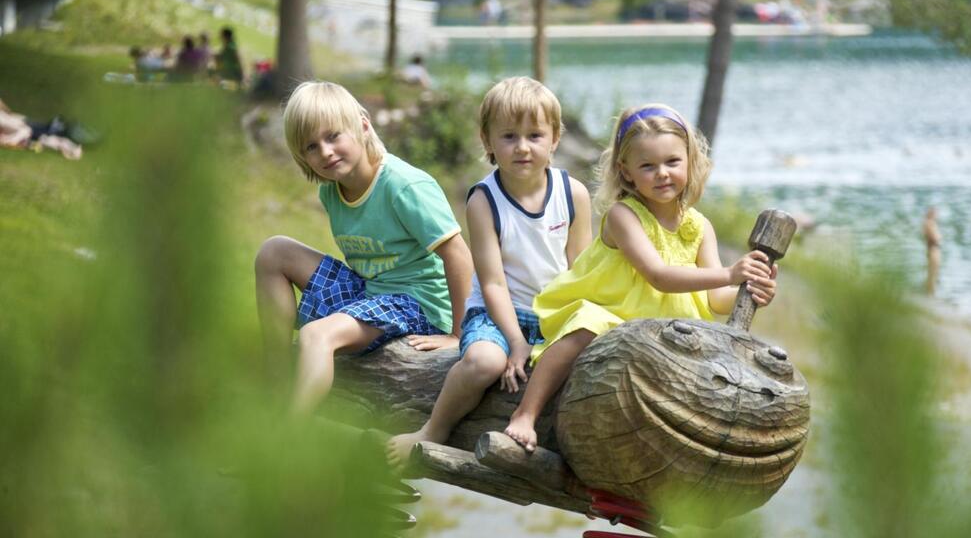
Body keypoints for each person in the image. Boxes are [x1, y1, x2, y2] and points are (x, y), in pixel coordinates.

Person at [502, 104, 778, 452]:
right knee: (586, 327)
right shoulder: (624, 216)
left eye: (672, 162)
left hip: (669, 325)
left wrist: (747, 287)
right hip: (615, 311)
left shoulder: (698, 226)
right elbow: (658, 276)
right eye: (648, 166)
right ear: (627, 172)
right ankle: (526, 414)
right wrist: (728, 272)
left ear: (690, 161)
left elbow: (714, 299)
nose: (662, 173)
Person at [386, 77, 592, 465]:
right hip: (498, 314)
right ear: (487, 141)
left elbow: (580, 272)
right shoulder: (484, 200)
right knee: (484, 362)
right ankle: (434, 428)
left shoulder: (573, 193)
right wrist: (516, 341)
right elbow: (494, 282)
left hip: (554, 313)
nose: (523, 147)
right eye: (509, 136)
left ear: (555, 138)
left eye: (535, 135)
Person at [254, 81, 473, 416]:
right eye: (312, 146)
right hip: (369, 294)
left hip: (418, 307)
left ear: (363, 125)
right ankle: (275, 375)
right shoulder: (332, 191)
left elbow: (457, 254)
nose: (325, 152)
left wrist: (459, 334)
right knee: (274, 251)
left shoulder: (403, 186)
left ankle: (286, 436)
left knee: (317, 334)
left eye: (333, 136)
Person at [923, 206, 942, 296]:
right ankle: (930, 293)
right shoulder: (929, 223)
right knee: (933, 272)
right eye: (936, 214)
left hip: (934, 249)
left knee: (934, 272)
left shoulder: (930, 223)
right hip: (933, 249)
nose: (937, 216)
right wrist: (938, 236)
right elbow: (936, 238)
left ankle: (931, 292)